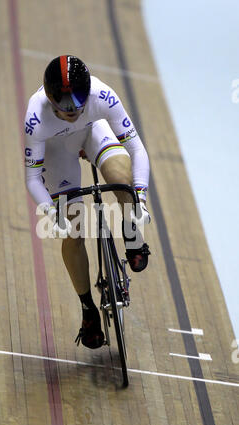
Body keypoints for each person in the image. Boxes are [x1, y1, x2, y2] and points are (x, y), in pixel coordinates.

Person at [25, 55, 151, 350]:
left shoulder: (101, 95)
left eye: (77, 102)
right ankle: (88, 310)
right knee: (75, 227)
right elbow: (32, 180)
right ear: (48, 97)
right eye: (63, 106)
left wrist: (140, 198)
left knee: (121, 178)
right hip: (58, 152)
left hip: (93, 132)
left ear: (88, 92)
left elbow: (137, 149)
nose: (71, 110)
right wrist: (51, 214)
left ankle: (132, 237)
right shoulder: (35, 118)